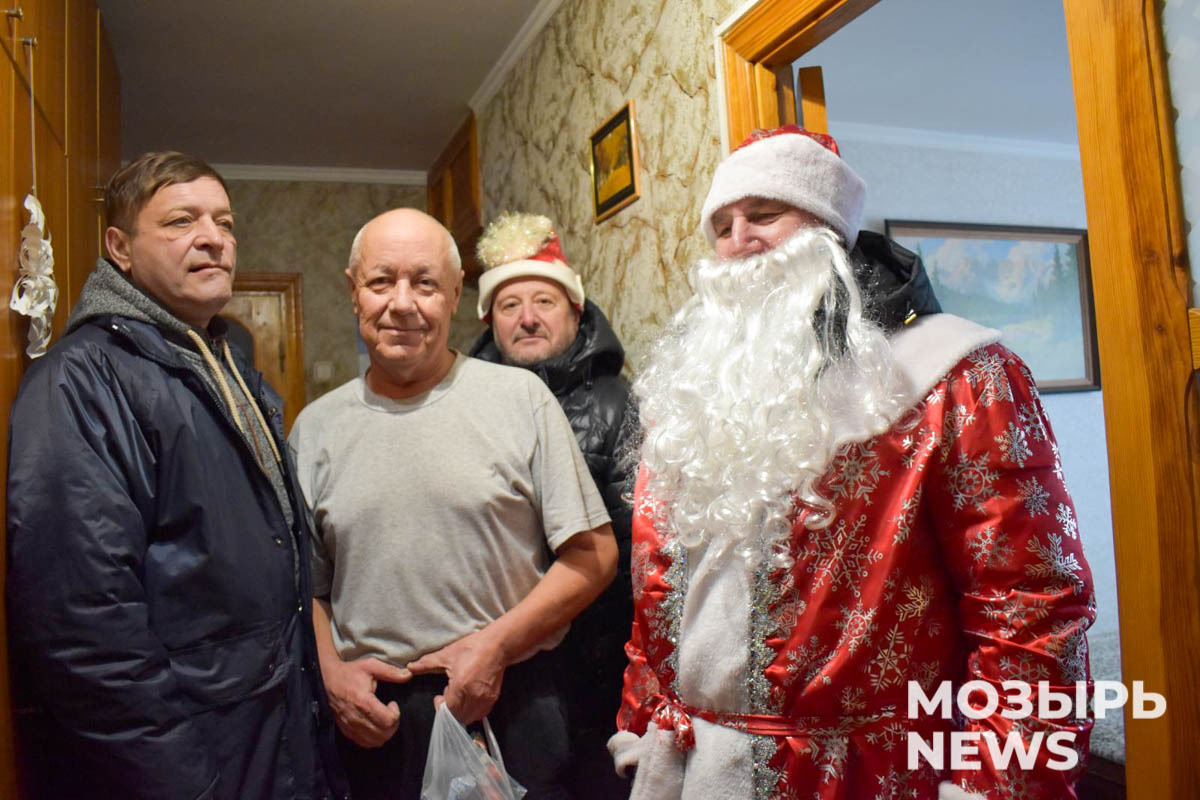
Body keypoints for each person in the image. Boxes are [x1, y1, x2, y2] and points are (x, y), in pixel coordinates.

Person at [608, 127, 1095, 799]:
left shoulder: (952, 377)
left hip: (864, 778)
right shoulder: (693, 397)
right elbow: (656, 592)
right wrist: (639, 728)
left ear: (829, 229)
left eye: (764, 214)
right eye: (721, 225)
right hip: (684, 772)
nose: (739, 239)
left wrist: (995, 786)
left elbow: (1030, 610)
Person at [6, 151, 347, 800]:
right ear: (120, 249)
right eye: (181, 221)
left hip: (268, 741)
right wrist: (183, 784)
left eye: (225, 222)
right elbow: (85, 628)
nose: (213, 238)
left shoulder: (226, 367)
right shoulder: (84, 379)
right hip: (194, 760)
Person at [288, 207, 618, 800]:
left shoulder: (521, 399)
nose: (403, 304)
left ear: (455, 293)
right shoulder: (314, 428)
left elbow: (593, 556)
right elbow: (303, 586)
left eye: (425, 283)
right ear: (353, 290)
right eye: (381, 281)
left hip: (511, 702)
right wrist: (331, 673)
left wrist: (495, 647)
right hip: (374, 723)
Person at [469, 212, 636, 799]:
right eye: (510, 305)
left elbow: (639, 547)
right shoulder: (463, 406)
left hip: (600, 673)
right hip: (500, 673)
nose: (528, 318)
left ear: (575, 312)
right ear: (490, 322)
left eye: (544, 301)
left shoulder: (621, 405)